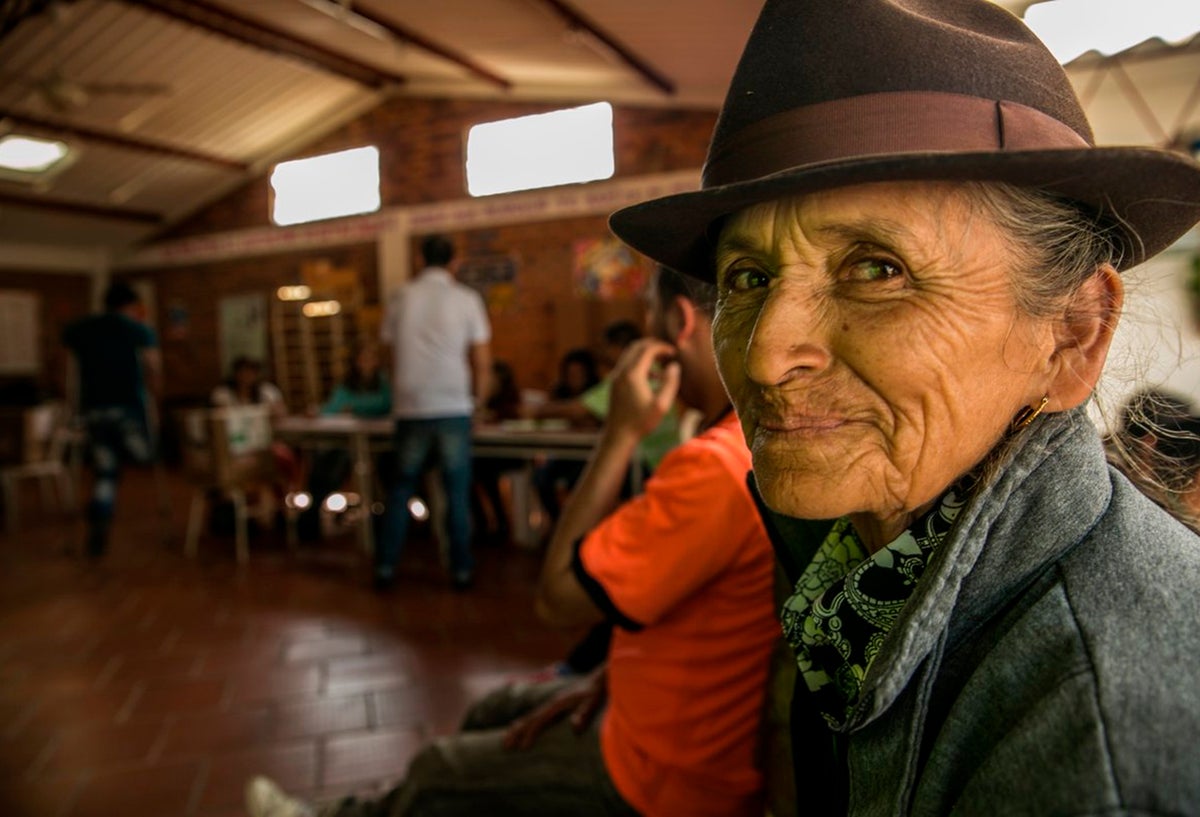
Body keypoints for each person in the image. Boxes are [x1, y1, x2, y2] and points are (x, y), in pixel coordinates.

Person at [606, 0, 1200, 812]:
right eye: (747, 278)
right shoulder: (855, 563)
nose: (767, 353)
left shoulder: (1099, 756)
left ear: (1072, 335)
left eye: (877, 268)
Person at [245, 266, 779, 817]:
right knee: (499, 708)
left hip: (661, 774)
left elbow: (556, 598)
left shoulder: (712, 467)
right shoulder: (751, 446)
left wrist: (620, 432)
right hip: (662, 713)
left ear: (678, 321)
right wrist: (616, 678)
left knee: (436, 773)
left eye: (647, 317)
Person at [376, 233, 492, 591]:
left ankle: (386, 567)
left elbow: (387, 354)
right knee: (455, 492)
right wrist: (480, 403)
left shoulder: (401, 296)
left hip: (410, 407)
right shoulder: (466, 299)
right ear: (454, 262)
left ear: (418, 259)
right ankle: (460, 569)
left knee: (400, 491)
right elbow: (483, 362)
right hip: (453, 405)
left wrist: (400, 392)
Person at [62, 281, 161, 557]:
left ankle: (101, 509)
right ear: (130, 305)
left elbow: (65, 361)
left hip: (93, 410)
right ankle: (132, 457)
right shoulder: (136, 329)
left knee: (106, 468)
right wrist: (155, 392)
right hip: (127, 409)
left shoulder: (81, 329)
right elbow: (153, 366)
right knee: (145, 455)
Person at [297, 343, 392, 542]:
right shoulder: (347, 384)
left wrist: (355, 407)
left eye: (370, 358)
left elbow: (385, 404)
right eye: (362, 358)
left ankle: (382, 521)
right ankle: (311, 515)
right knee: (329, 463)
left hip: (382, 442)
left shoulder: (384, 383)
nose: (366, 363)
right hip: (349, 441)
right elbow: (333, 407)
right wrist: (320, 412)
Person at [470, 359, 523, 545]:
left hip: (509, 453)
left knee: (484, 471)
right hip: (484, 453)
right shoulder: (478, 401)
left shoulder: (509, 401)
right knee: (471, 471)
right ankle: (483, 522)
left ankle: (500, 521)